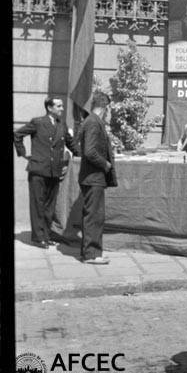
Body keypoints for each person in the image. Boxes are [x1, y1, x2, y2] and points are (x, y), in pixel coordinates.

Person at [13, 96, 78, 248]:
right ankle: (38, 237)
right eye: (59, 106)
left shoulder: (61, 124)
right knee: (37, 204)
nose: (62, 108)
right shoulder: (38, 122)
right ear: (49, 108)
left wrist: (82, 154)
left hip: (54, 170)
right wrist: (23, 154)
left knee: (50, 206)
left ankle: (46, 235)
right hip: (38, 170)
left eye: (62, 106)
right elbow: (17, 135)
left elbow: (71, 143)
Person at [78, 91, 118, 264]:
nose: (108, 113)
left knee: (93, 215)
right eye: (108, 109)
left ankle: (91, 252)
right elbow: (89, 152)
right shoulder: (94, 122)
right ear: (104, 107)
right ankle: (91, 255)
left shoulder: (91, 121)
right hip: (94, 177)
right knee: (94, 216)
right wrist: (105, 164)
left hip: (92, 177)